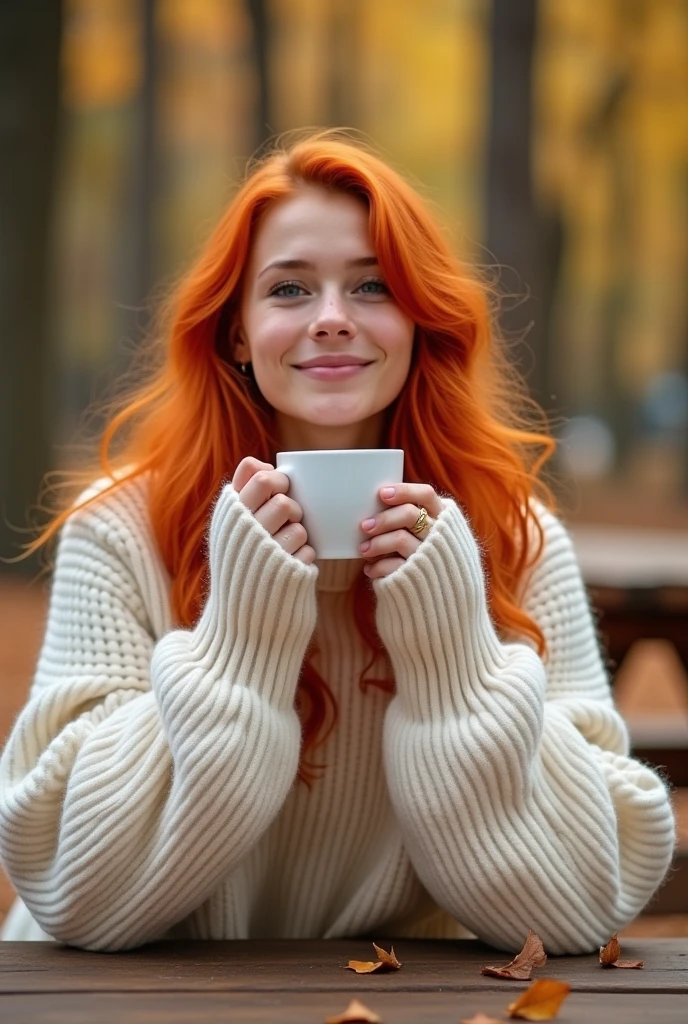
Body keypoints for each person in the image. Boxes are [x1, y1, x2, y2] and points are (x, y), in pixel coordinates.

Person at [0, 130, 674, 954]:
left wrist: (452, 660)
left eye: (371, 285)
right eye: (288, 289)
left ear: (420, 319)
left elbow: (575, 912)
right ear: (238, 332)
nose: (330, 320)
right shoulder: (124, 530)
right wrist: (238, 644)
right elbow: (75, 893)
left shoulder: (514, 535)